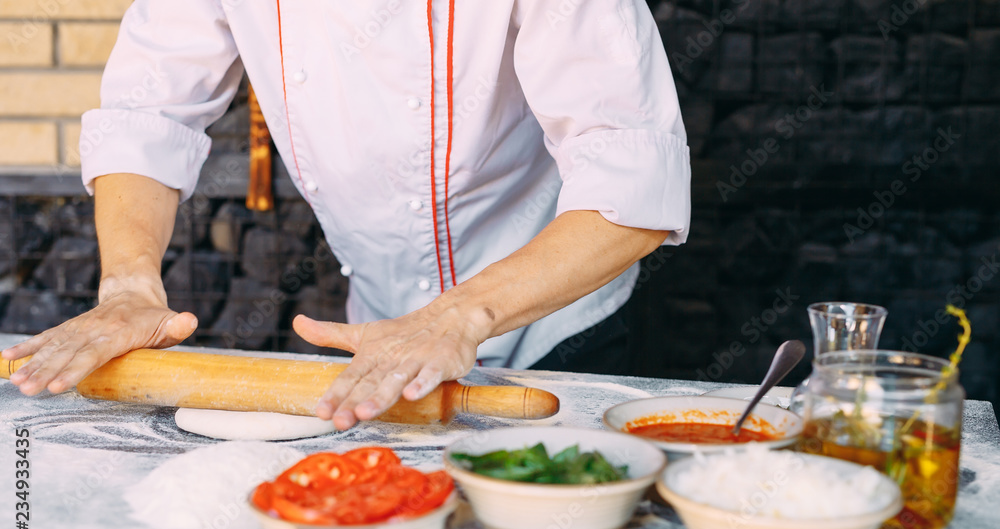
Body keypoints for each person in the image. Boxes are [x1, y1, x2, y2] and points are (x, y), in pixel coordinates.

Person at [2, 0, 691, 430]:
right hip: (381, 334)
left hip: (554, 317)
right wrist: (128, 286)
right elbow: (145, 115)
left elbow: (632, 181)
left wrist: (460, 317)